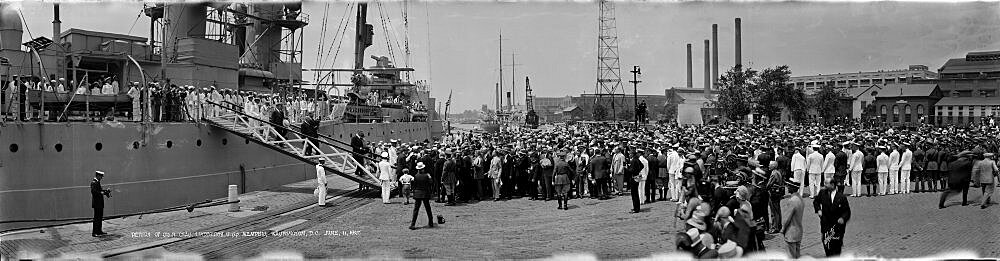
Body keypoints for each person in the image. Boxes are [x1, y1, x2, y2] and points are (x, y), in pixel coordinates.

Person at [813, 175, 851, 257]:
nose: (824, 185)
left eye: (826, 183)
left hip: (837, 227)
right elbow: (816, 202)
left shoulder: (841, 197)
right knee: (826, 244)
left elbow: (847, 211)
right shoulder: (822, 193)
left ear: (833, 185)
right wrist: (819, 210)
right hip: (826, 224)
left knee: (836, 247)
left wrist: (843, 218)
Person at [780, 177, 804, 258]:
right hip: (799, 231)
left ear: (792, 187)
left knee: (791, 256)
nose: (787, 187)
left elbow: (787, 218)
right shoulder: (800, 199)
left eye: (788, 186)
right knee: (797, 255)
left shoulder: (792, 201)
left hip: (791, 232)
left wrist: (783, 228)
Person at [409, 162, 434, 230]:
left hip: (417, 193)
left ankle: (413, 224)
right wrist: (430, 177)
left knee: (416, 209)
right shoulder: (426, 175)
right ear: (423, 169)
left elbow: (414, 185)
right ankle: (431, 222)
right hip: (425, 193)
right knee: (428, 208)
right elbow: (431, 183)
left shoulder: (416, 176)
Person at [91, 170, 111, 237]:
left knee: (100, 217)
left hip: (99, 203)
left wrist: (106, 191)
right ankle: (94, 232)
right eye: (101, 176)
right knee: (96, 218)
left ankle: (99, 231)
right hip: (97, 204)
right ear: (98, 176)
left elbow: (99, 191)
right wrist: (102, 193)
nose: (102, 178)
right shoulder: (94, 182)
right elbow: (94, 192)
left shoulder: (97, 182)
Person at [627, 148, 644, 213]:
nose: (629, 155)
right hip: (637, 177)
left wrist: (627, 168)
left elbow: (631, 170)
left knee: (634, 194)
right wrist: (638, 171)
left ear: (632, 154)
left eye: (630, 154)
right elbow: (642, 166)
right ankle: (636, 207)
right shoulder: (637, 159)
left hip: (634, 177)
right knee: (635, 193)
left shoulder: (634, 160)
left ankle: (636, 208)